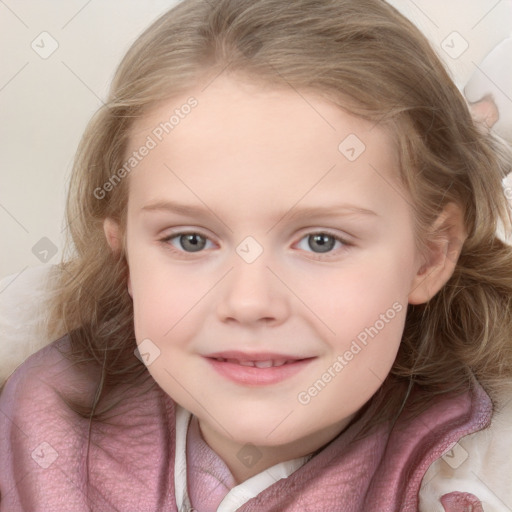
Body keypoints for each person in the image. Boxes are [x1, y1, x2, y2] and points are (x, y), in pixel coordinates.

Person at [1, 0, 512, 510]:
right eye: (191, 240)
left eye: (321, 242)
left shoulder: (470, 480)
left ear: (429, 256)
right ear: (124, 261)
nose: (248, 302)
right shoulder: (38, 422)